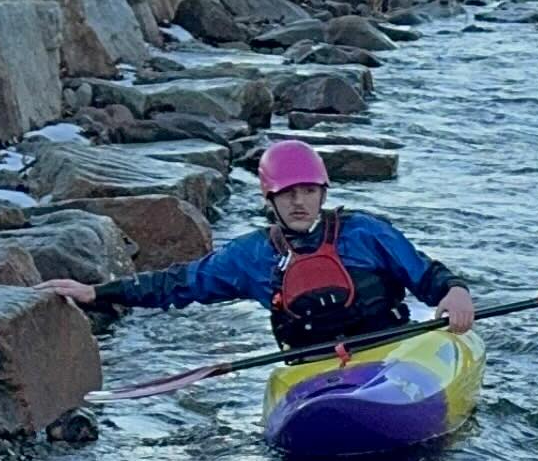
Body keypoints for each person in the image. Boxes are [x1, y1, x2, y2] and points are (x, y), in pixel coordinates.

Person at [45, 139, 476, 352]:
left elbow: (427, 275)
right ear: (269, 199)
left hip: (392, 354)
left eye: (308, 191)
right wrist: (98, 293)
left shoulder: (365, 232)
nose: (299, 201)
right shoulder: (253, 255)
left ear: (323, 193)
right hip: (314, 368)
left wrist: (455, 293)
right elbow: (179, 284)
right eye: (288, 193)